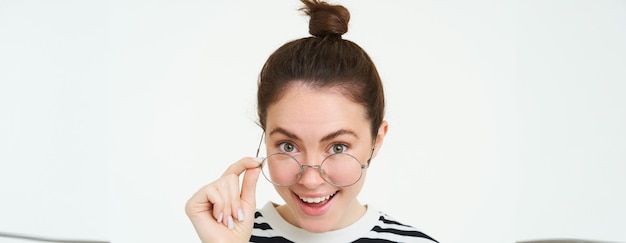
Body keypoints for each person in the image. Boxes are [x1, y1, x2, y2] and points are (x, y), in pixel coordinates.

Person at [185, 0, 438, 242]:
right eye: (288, 146)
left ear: (376, 140)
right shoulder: (229, 237)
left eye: (338, 147)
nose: (310, 179)